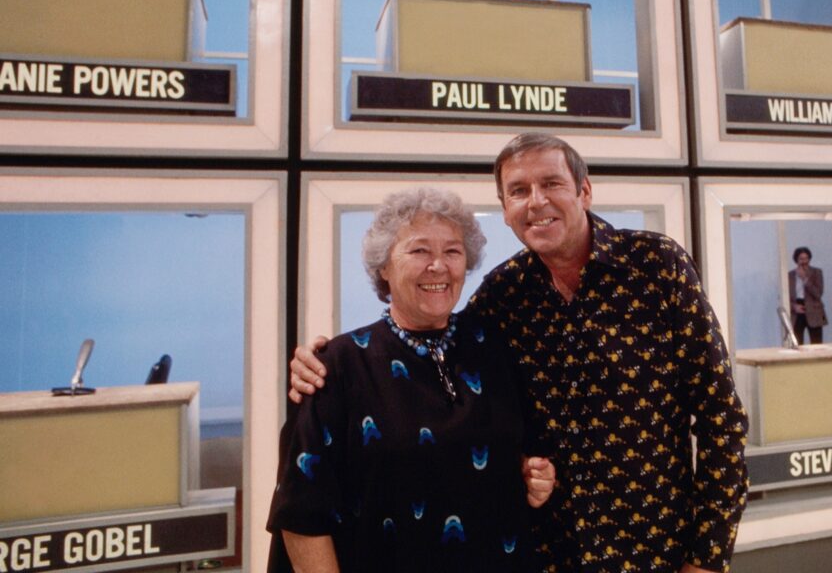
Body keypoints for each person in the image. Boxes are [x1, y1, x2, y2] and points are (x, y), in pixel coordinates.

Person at [290, 133, 749, 573]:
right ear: (506, 210)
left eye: (551, 184)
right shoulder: (504, 296)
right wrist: (319, 360)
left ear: (584, 191)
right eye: (518, 191)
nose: (536, 202)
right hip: (547, 557)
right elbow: (423, 330)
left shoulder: (655, 265)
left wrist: (707, 558)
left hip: (657, 552)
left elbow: (721, 420)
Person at [267, 187, 555, 572]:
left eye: (452, 251)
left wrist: (537, 475)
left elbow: (521, 453)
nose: (438, 266)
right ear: (383, 267)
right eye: (419, 251)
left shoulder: (495, 350)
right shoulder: (337, 367)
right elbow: (300, 512)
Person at [788, 246, 826, 345]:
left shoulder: (816, 272)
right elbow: (785, 296)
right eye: (801, 259)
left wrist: (804, 278)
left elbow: (818, 293)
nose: (804, 261)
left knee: (817, 343)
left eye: (806, 258)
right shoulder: (790, 275)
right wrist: (793, 306)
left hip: (813, 310)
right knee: (797, 343)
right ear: (796, 260)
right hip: (797, 310)